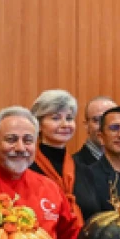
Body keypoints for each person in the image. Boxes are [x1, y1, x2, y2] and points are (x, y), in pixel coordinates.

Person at [0, 107, 81, 239]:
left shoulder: (50, 187)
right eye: (11, 139)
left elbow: (72, 238)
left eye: (28, 140)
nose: (20, 148)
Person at [29, 89, 84, 229]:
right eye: (56, 118)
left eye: (69, 118)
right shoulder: (27, 166)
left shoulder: (82, 167)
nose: (65, 124)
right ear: (38, 125)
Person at [72, 96, 116, 168]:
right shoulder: (73, 167)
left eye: (111, 120)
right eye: (97, 120)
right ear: (86, 125)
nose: (104, 127)